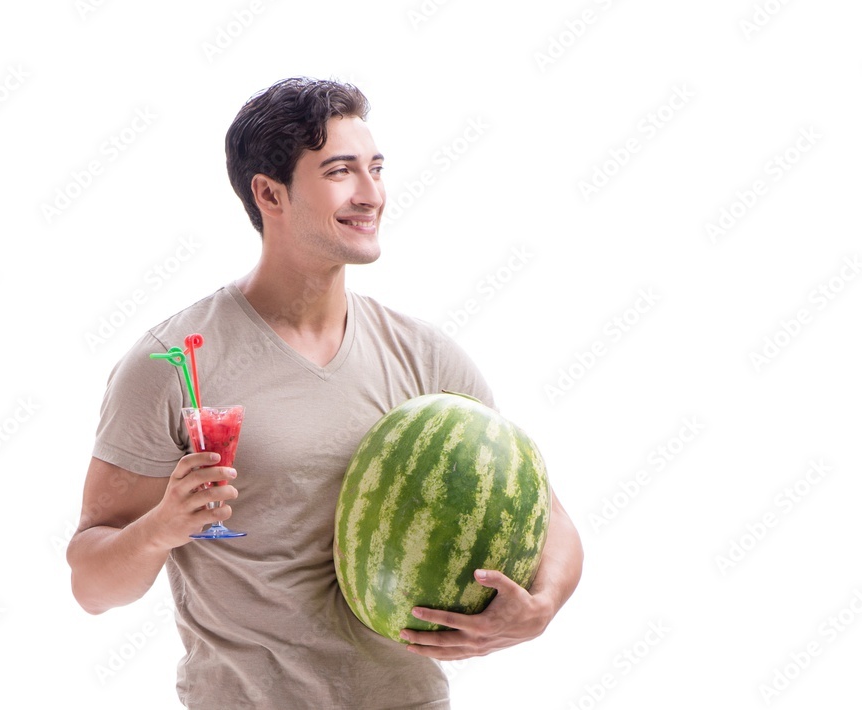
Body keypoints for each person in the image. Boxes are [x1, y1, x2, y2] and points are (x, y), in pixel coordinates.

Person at [67, 76, 584, 709]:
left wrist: (543, 605)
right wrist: (162, 528)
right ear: (269, 193)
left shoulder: (425, 357)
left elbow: (549, 517)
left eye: (377, 168)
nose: (372, 194)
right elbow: (91, 584)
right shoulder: (173, 364)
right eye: (341, 172)